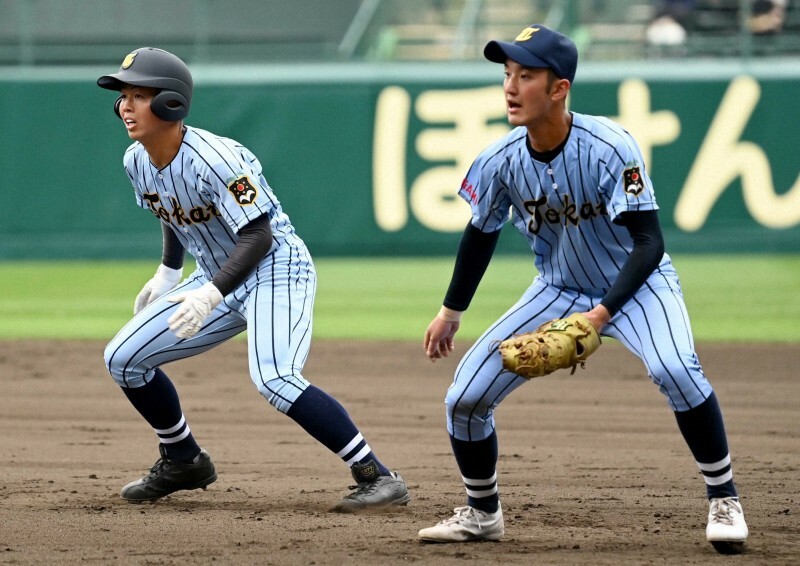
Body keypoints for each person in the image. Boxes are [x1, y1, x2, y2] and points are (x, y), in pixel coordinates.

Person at [417, 25, 748, 554]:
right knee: (465, 398)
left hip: (637, 285)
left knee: (676, 370)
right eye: (507, 74)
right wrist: (450, 311)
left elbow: (649, 243)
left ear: (558, 89)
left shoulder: (610, 147)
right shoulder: (500, 159)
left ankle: (723, 498)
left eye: (526, 75)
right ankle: (482, 514)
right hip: (558, 287)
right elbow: (479, 234)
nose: (510, 86)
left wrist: (601, 314)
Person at [98, 47, 410, 512]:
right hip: (214, 277)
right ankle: (184, 459)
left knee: (275, 378)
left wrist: (210, 294)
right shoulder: (136, 160)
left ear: (170, 103)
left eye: (138, 95)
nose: (125, 106)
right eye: (123, 96)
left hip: (276, 269)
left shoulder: (218, 158)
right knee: (122, 358)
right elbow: (171, 209)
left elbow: (259, 236)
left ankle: (377, 476)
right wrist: (168, 271)